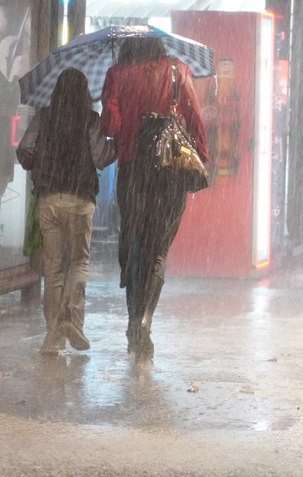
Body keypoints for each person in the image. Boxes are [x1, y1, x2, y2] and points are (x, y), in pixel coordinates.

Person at [100, 38, 208, 361]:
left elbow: (111, 126)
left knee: (134, 244)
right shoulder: (179, 71)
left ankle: (134, 320)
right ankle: (146, 321)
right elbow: (195, 119)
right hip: (170, 171)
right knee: (158, 249)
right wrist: (200, 157)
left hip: (133, 170)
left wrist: (121, 117)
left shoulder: (117, 74)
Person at [16, 68, 116, 355]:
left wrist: (45, 164)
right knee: (79, 264)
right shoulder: (90, 120)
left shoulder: (45, 117)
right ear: (85, 93)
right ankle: (71, 318)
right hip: (80, 200)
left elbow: (24, 152)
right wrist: (118, 143)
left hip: (49, 200)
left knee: (54, 268)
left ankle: (53, 336)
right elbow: (101, 158)